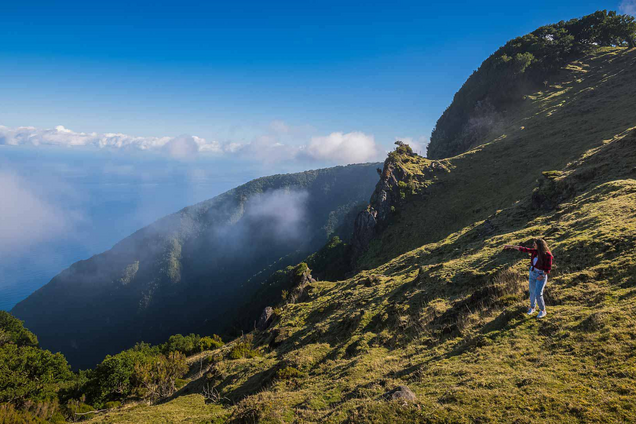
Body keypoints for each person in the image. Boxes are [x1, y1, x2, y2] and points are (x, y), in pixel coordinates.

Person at [504, 239, 553, 319]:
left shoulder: (547, 255)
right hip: (532, 273)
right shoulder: (534, 251)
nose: (533, 245)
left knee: (538, 293)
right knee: (532, 292)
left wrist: (543, 275)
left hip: (541, 275)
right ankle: (532, 308)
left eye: (535, 244)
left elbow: (548, 268)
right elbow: (523, 249)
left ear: (539, 245)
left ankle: (543, 310)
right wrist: (511, 246)